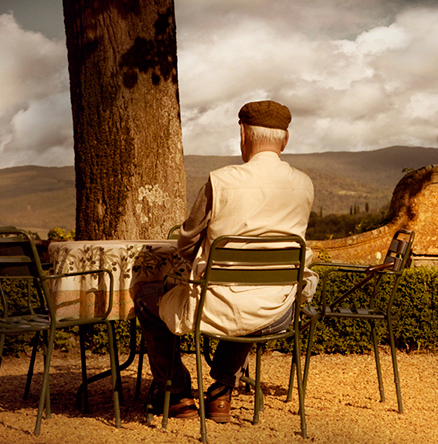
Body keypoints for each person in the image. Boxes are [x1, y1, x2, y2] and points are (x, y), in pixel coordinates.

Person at [134, 100, 318, 422]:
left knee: (148, 299)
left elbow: (187, 241)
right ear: (285, 140)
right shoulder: (304, 184)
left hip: (217, 305)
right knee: (253, 303)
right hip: (278, 313)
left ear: (243, 134)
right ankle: (221, 391)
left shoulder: (220, 180)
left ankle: (176, 393)